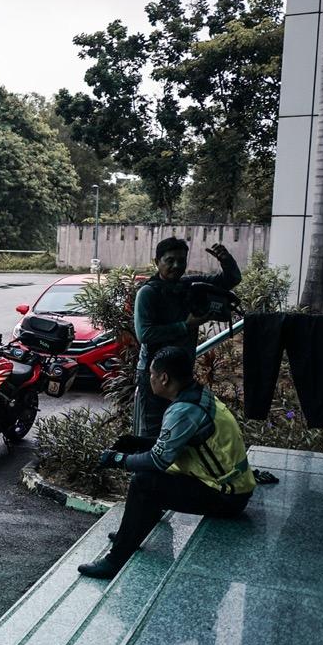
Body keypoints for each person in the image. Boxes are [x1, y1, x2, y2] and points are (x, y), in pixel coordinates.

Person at [79, 346, 255, 579]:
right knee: (149, 478)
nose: (149, 378)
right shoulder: (197, 395)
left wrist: (118, 459)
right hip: (230, 488)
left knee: (144, 482)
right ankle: (133, 532)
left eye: (151, 374)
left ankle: (115, 560)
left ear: (164, 378)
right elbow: (178, 442)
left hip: (226, 497)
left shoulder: (183, 410)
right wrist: (137, 442)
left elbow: (158, 460)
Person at [133, 238, 241, 437]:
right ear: (157, 262)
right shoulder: (148, 293)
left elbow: (230, 280)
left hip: (182, 374)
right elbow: (145, 334)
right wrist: (186, 326)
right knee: (152, 433)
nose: (176, 266)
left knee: (177, 430)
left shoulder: (189, 285)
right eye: (170, 260)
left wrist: (226, 260)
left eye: (181, 261)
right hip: (155, 375)